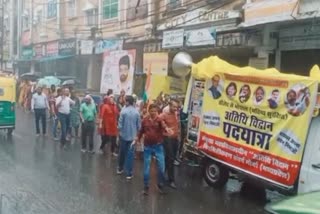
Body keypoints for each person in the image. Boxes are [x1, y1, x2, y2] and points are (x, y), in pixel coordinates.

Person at [135, 104, 166, 195]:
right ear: (149, 111)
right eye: (151, 111)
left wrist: (167, 130)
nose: (153, 113)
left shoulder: (160, 120)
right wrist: (137, 139)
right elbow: (141, 131)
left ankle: (160, 184)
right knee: (146, 168)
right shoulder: (145, 121)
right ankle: (146, 186)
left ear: (157, 112)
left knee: (161, 167)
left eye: (155, 111)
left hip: (158, 146)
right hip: (147, 146)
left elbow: (164, 127)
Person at [117, 95, 141, 180]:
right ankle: (129, 173)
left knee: (122, 153)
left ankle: (120, 168)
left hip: (123, 136)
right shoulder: (137, 112)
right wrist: (137, 136)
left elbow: (119, 125)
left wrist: (119, 134)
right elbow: (139, 126)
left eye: (125, 101)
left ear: (127, 102)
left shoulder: (123, 112)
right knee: (130, 155)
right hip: (133, 138)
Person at [160, 99, 180, 189]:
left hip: (175, 138)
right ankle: (171, 180)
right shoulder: (165, 113)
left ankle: (162, 176)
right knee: (170, 158)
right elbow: (159, 119)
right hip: (167, 138)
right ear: (170, 106)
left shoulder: (176, 113)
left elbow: (177, 124)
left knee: (169, 158)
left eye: (177, 107)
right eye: (174, 106)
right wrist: (165, 127)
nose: (176, 108)